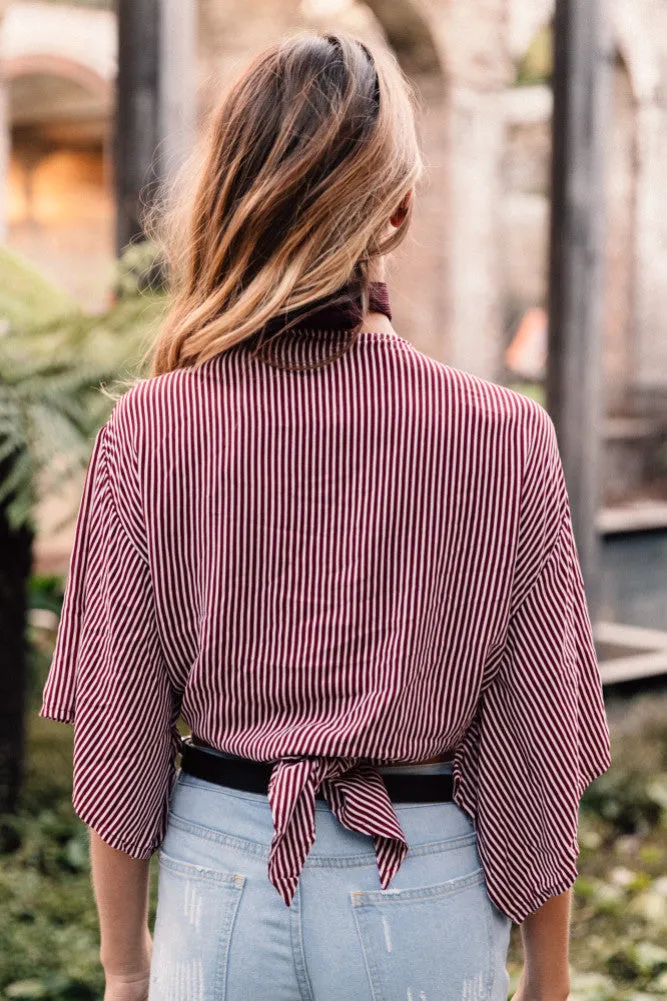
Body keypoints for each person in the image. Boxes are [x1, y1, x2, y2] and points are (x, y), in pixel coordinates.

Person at [39, 28, 612, 1001]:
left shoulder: (148, 428)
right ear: (395, 211)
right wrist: (547, 973)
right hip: (423, 877)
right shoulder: (507, 435)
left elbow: (119, 718)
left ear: (228, 194)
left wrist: (125, 968)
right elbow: (535, 727)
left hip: (216, 873)